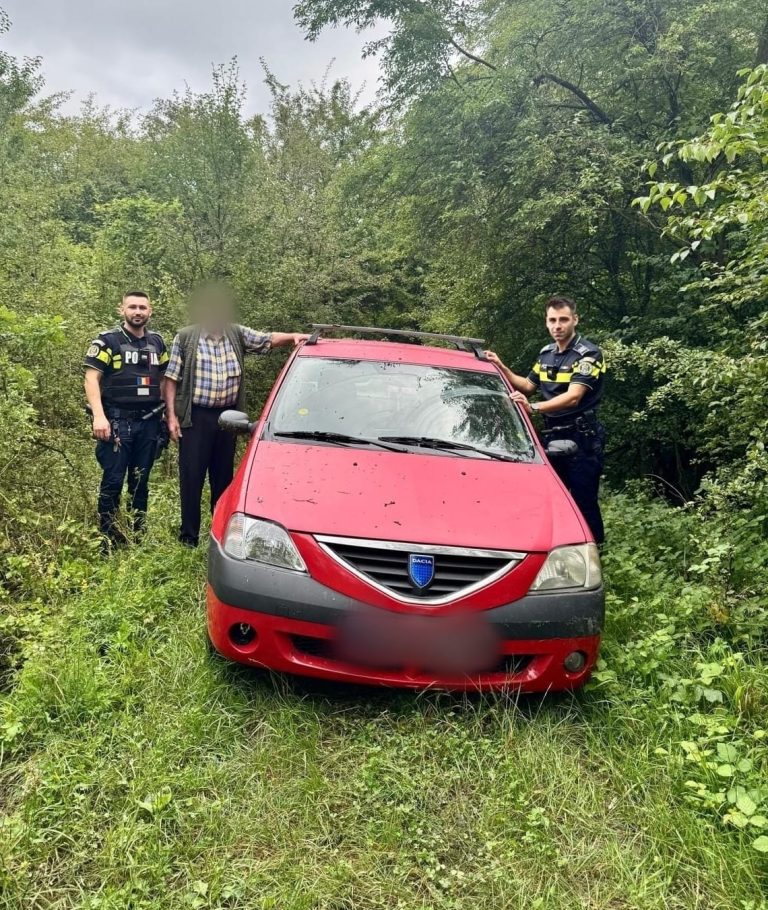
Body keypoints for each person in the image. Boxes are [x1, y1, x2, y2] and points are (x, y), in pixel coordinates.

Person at [163, 293, 309, 547]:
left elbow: (267, 340)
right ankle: (189, 537)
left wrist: (294, 336)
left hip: (228, 418)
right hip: (195, 417)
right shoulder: (186, 337)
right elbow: (172, 379)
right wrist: (172, 417)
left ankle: (218, 533)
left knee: (223, 478)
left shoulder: (236, 333)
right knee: (191, 477)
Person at [486, 296, 606, 544]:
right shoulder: (546, 354)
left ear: (575, 319)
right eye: (552, 320)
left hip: (581, 437)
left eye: (563, 320)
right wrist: (501, 366)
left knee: (583, 501)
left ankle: (595, 552)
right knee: (552, 499)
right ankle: (559, 550)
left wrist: (534, 408)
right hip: (552, 436)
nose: (557, 326)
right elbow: (528, 386)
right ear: (546, 322)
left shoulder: (589, 354)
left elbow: (573, 397)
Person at [84, 291, 169, 547]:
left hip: (149, 422)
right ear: (122, 309)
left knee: (141, 481)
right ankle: (107, 540)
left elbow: (166, 379)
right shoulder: (107, 341)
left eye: (142, 307)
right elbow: (91, 378)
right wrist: (99, 416)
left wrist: (167, 415)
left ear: (150, 311)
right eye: (132, 306)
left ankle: (137, 537)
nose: (138, 311)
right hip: (117, 422)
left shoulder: (157, 342)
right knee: (113, 481)